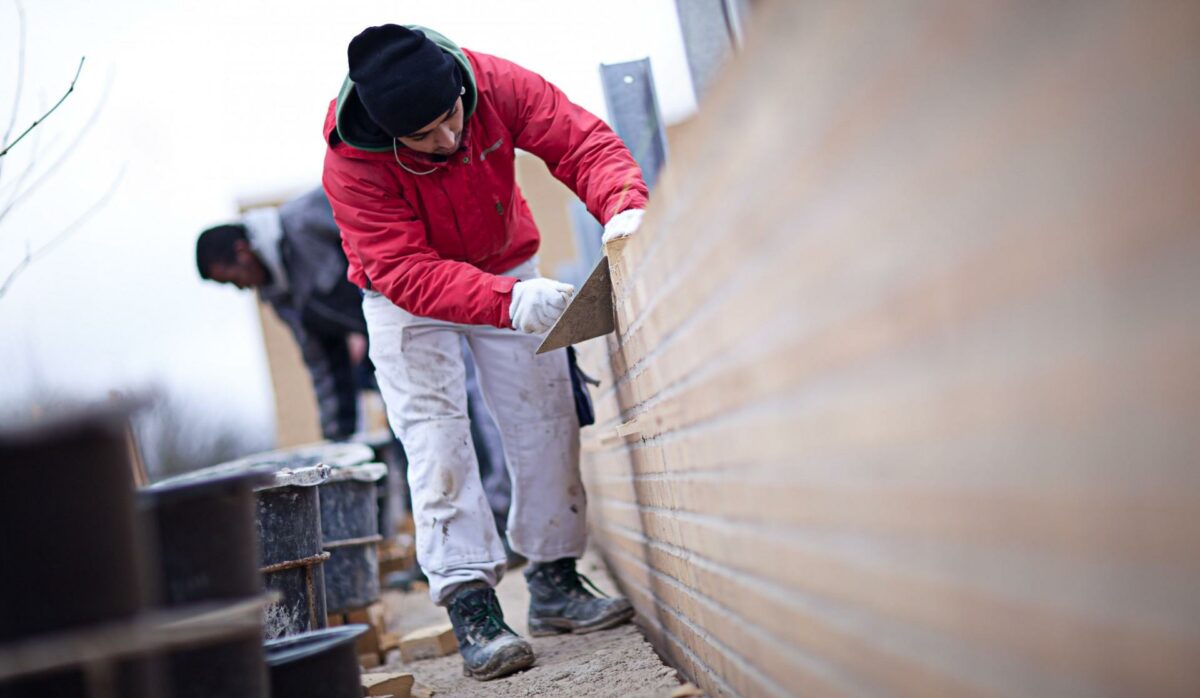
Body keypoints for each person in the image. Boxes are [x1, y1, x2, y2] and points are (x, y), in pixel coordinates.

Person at [321, 24, 649, 681]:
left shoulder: (496, 82)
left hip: (504, 260)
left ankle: (554, 583)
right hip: (403, 298)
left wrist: (623, 209)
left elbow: (580, 142)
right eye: (422, 137)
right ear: (387, 133)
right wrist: (506, 303)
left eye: (451, 119)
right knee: (438, 443)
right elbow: (405, 270)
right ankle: (472, 607)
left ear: (460, 88)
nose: (445, 141)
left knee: (548, 418)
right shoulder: (350, 161)